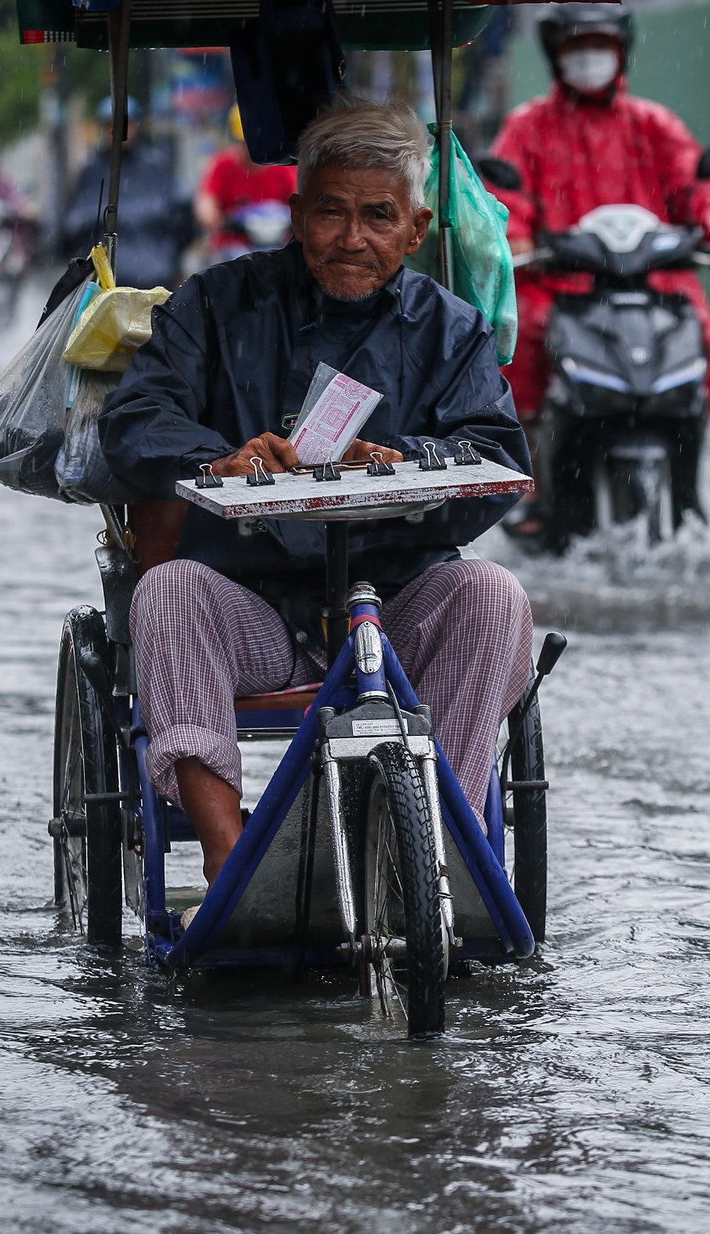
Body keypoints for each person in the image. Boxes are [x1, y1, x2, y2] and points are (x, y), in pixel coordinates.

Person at [99, 100, 534, 888]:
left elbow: (499, 453)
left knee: (494, 595)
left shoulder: (451, 330)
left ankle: (439, 852)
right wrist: (221, 458)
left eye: (378, 216)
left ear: (415, 227)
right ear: (297, 216)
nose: (353, 237)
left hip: (393, 607)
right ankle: (230, 857)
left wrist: (410, 460)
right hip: (252, 609)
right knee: (165, 592)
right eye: (331, 211)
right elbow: (133, 421)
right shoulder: (217, 305)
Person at [485, 3, 710, 427]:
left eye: (600, 46)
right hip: (560, 280)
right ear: (556, 56)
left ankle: (686, 447)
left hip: (652, 277)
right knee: (521, 336)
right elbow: (505, 196)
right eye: (578, 47)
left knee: (698, 326)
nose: (589, 57)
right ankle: (530, 452)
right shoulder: (527, 127)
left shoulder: (655, 123)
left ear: (621, 52)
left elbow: (696, 184)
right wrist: (515, 235)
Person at [62, 96, 194, 290]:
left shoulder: (155, 166)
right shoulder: (91, 171)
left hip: (156, 275)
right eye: (111, 124)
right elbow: (74, 225)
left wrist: (170, 255)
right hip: (108, 279)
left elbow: (181, 218)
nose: (120, 130)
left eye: (126, 123)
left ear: (136, 125)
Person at [194, 106, 297, 259]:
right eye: (245, 144)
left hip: (278, 248)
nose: (251, 150)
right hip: (233, 251)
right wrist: (217, 220)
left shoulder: (283, 167)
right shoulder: (223, 166)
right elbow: (206, 206)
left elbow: (299, 198)